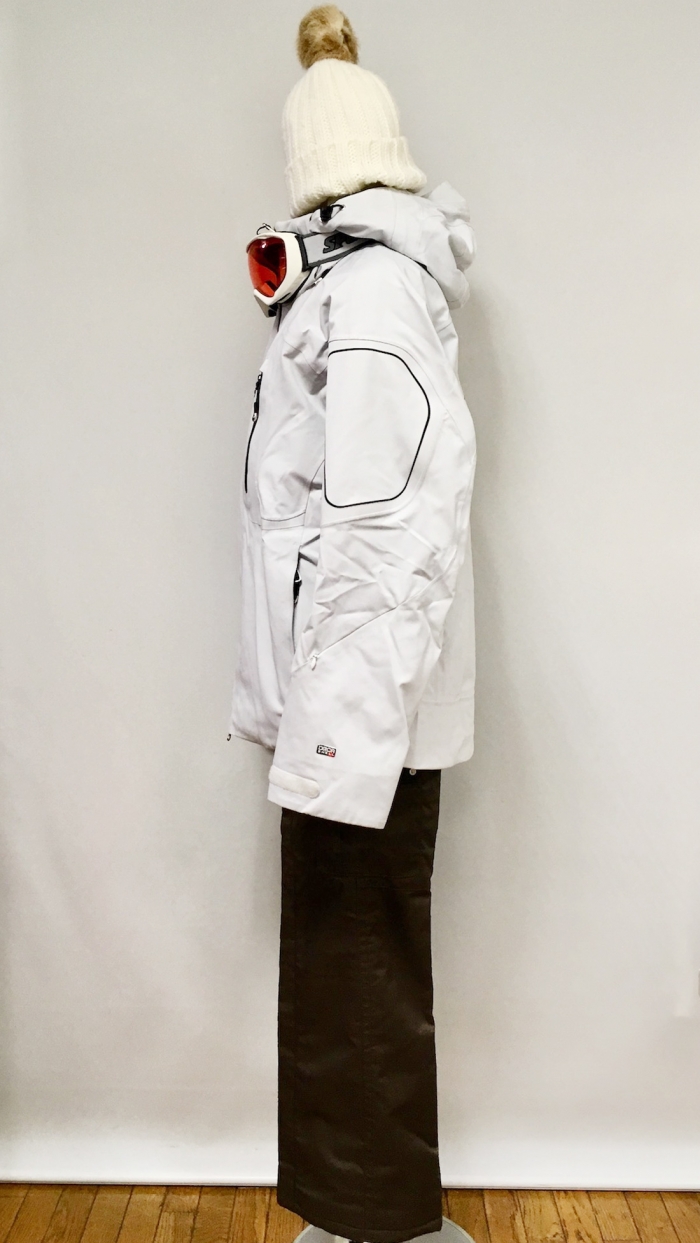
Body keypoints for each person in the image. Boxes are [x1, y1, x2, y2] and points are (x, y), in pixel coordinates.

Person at [228, 7, 477, 1241]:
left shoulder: (371, 295)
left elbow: (388, 533)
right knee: (345, 960)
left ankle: (378, 1221)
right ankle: (360, 1213)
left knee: (357, 961)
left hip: (360, 702)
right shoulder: (348, 286)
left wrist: (333, 736)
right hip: (345, 692)